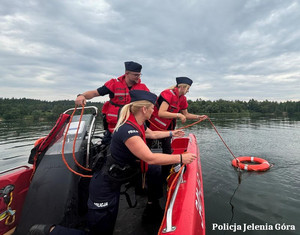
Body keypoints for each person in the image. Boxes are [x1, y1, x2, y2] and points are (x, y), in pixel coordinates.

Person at [28, 90, 197, 235]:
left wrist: (171, 133)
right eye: (152, 108)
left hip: (116, 178)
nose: (154, 111)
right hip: (104, 186)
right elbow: (150, 157)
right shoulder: (128, 130)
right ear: (144, 109)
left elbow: (152, 135)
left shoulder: (136, 123)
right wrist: (181, 158)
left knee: (151, 172)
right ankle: (49, 231)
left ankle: (152, 206)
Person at [75, 61, 149, 145]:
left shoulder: (142, 88)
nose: (138, 77)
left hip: (133, 127)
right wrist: (81, 95)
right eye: (136, 75)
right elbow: (95, 93)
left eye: (139, 75)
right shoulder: (113, 84)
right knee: (107, 149)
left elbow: (151, 103)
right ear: (127, 73)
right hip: (113, 128)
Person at [148, 77, 207, 177]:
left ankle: (165, 177)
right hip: (152, 126)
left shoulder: (182, 99)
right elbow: (162, 113)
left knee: (167, 150)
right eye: (188, 89)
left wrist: (198, 117)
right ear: (182, 87)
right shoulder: (167, 94)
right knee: (146, 150)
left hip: (167, 129)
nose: (188, 91)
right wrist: (178, 115)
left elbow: (186, 114)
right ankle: (144, 175)